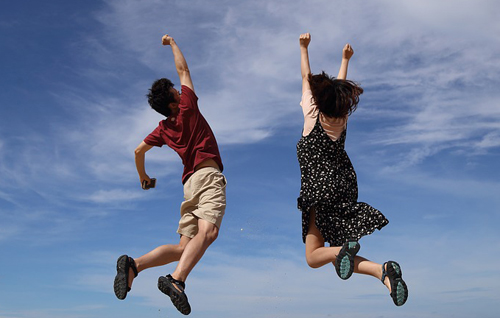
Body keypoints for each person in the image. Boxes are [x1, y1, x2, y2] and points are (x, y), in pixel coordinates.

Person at [113, 33, 227, 315]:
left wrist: (144, 177)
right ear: (175, 102)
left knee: (184, 248)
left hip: (189, 185)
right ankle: (177, 280)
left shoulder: (163, 128)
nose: (180, 89)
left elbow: (138, 152)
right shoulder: (187, 107)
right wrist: (173, 43)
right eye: (176, 91)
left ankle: (134, 265)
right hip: (207, 177)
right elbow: (184, 70)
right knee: (209, 232)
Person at [297, 33, 408, 306]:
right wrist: (345, 60)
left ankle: (345, 251)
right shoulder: (341, 119)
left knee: (313, 257)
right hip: (343, 187)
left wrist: (303, 48)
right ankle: (382, 273)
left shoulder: (312, 114)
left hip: (319, 189)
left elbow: (305, 77)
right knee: (336, 257)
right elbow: (338, 87)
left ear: (317, 98)